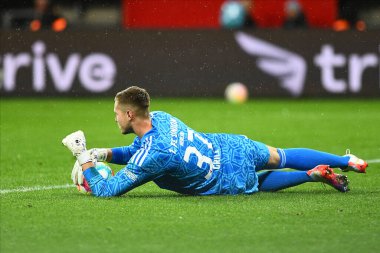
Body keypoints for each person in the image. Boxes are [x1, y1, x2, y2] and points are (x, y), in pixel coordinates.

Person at [62, 86, 368, 197]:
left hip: (224, 177)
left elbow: (106, 190)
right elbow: (138, 151)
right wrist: (104, 153)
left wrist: (83, 157)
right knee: (282, 155)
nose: (115, 119)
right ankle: (348, 161)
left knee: (258, 184)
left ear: (129, 114)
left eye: (117, 114)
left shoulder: (155, 155)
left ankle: (309, 176)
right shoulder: (163, 118)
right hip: (229, 147)